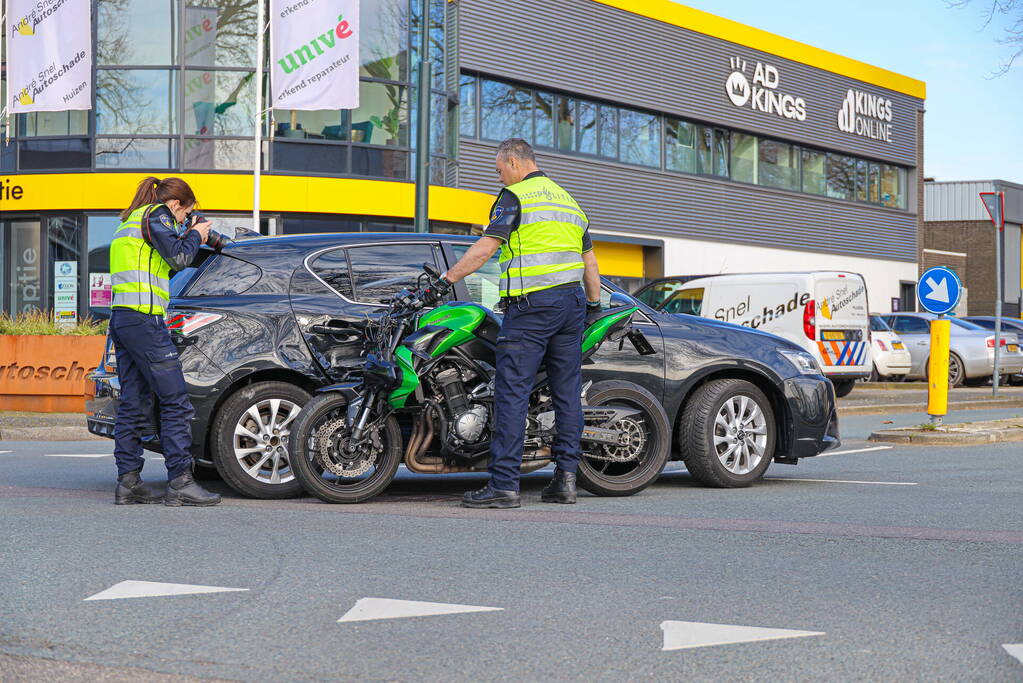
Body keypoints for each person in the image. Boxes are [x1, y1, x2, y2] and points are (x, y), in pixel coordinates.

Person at [436, 138, 602, 508]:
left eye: (499, 170)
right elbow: (590, 263)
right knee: (566, 394)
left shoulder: (515, 196)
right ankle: (565, 482)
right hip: (571, 304)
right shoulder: (567, 199)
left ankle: (504, 486)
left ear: (513, 162)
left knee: (512, 392)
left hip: (532, 309)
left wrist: (446, 280)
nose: (499, 177)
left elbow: (485, 249)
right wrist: (593, 305)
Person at [109, 176, 222, 506]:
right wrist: (195, 235)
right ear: (176, 205)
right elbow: (179, 257)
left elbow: (166, 263)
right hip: (144, 321)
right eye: (186, 214)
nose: (185, 221)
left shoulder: (131, 221)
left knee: (132, 403)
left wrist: (201, 239)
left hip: (125, 318)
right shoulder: (157, 213)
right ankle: (180, 483)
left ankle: (128, 483)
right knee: (175, 401)